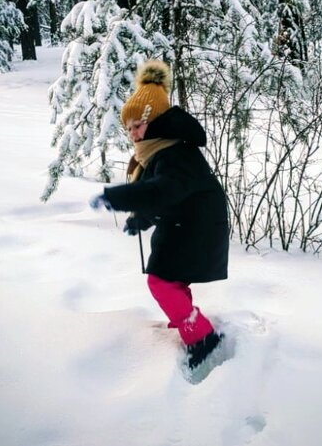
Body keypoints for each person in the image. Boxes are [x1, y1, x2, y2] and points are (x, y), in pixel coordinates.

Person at [90, 60, 229, 372]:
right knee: (170, 280)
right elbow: (165, 195)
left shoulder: (174, 152)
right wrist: (142, 218)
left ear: (155, 121)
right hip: (187, 223)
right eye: (128, 129)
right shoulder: (161, 150)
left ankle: (201, 336)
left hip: (197, 228)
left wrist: (118, 196)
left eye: (137, 125)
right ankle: (187, 319)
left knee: (160, 282)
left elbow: (162, 190)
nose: (133, 135)